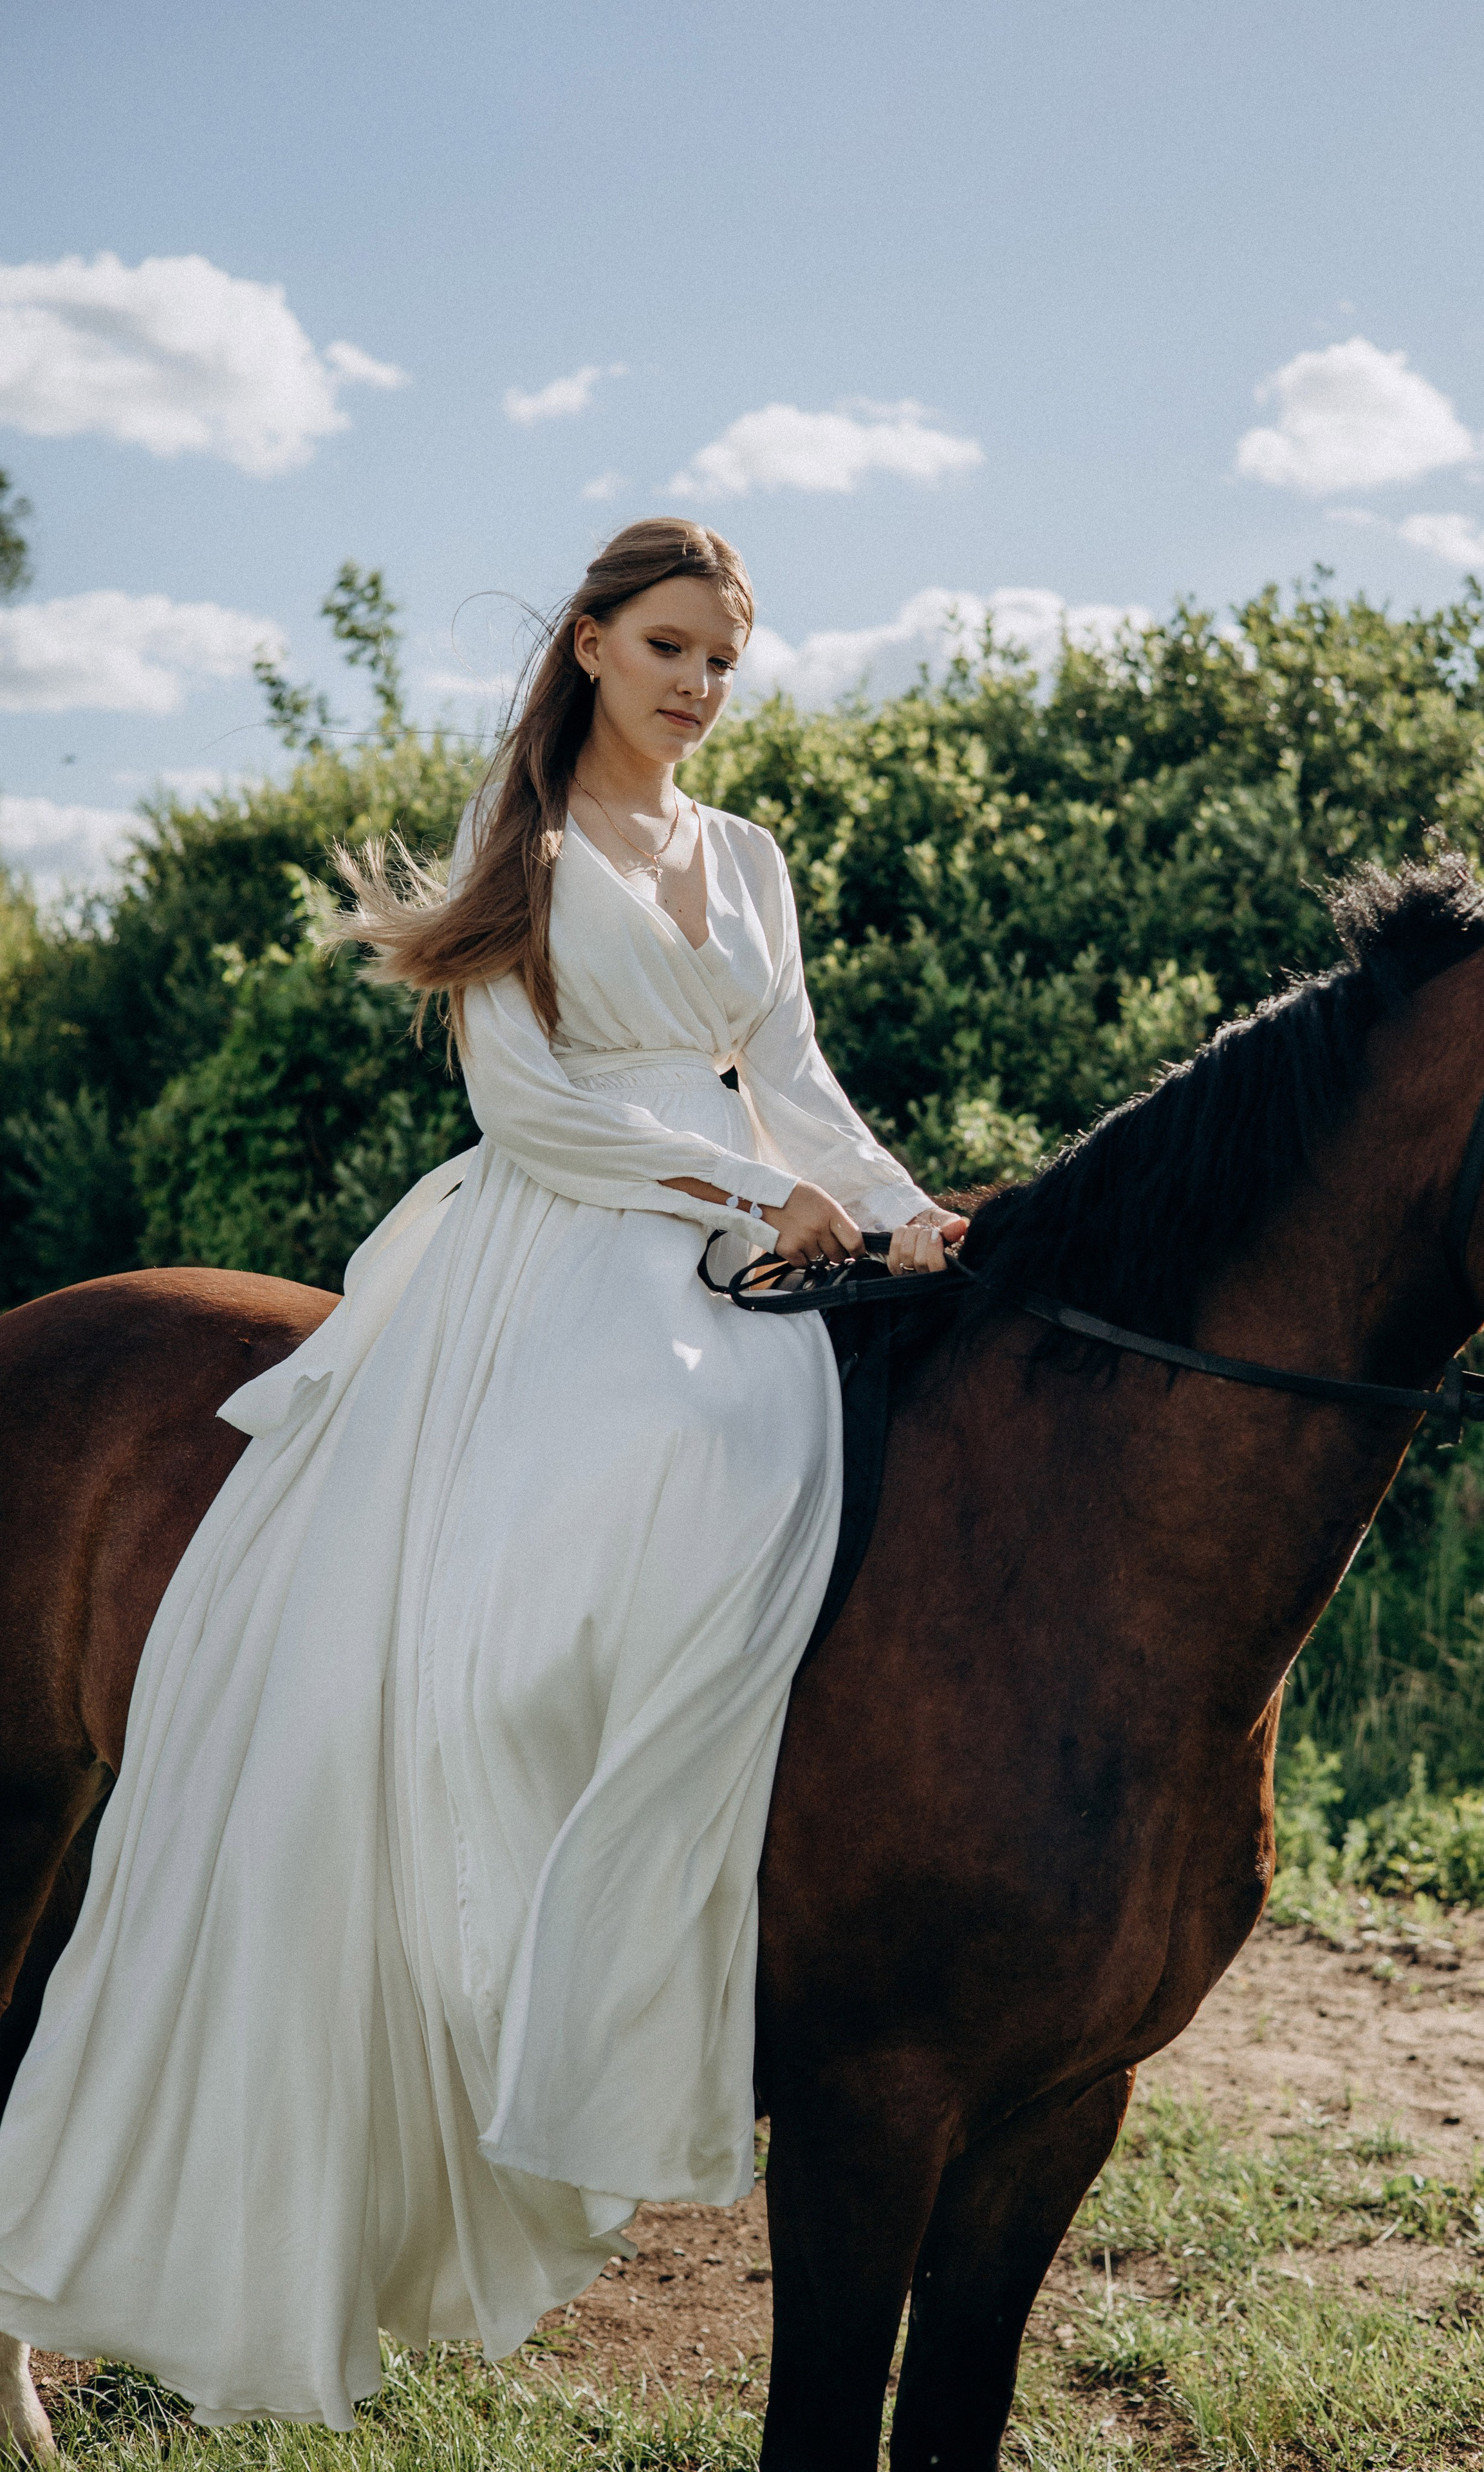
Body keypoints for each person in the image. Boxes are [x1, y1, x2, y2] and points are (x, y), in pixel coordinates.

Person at [0, 520, 965, 2429]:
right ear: (592, 645)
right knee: (678, 1449)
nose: (700, 687)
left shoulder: (746, 858)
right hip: (566, 1237)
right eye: (671, 647)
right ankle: (515, 1892)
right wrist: (736, 1187)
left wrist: (897, 1202)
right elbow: (529, 1103)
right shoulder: (521, 847)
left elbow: (801, 1078)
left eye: (726, 663)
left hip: (748, 1224)